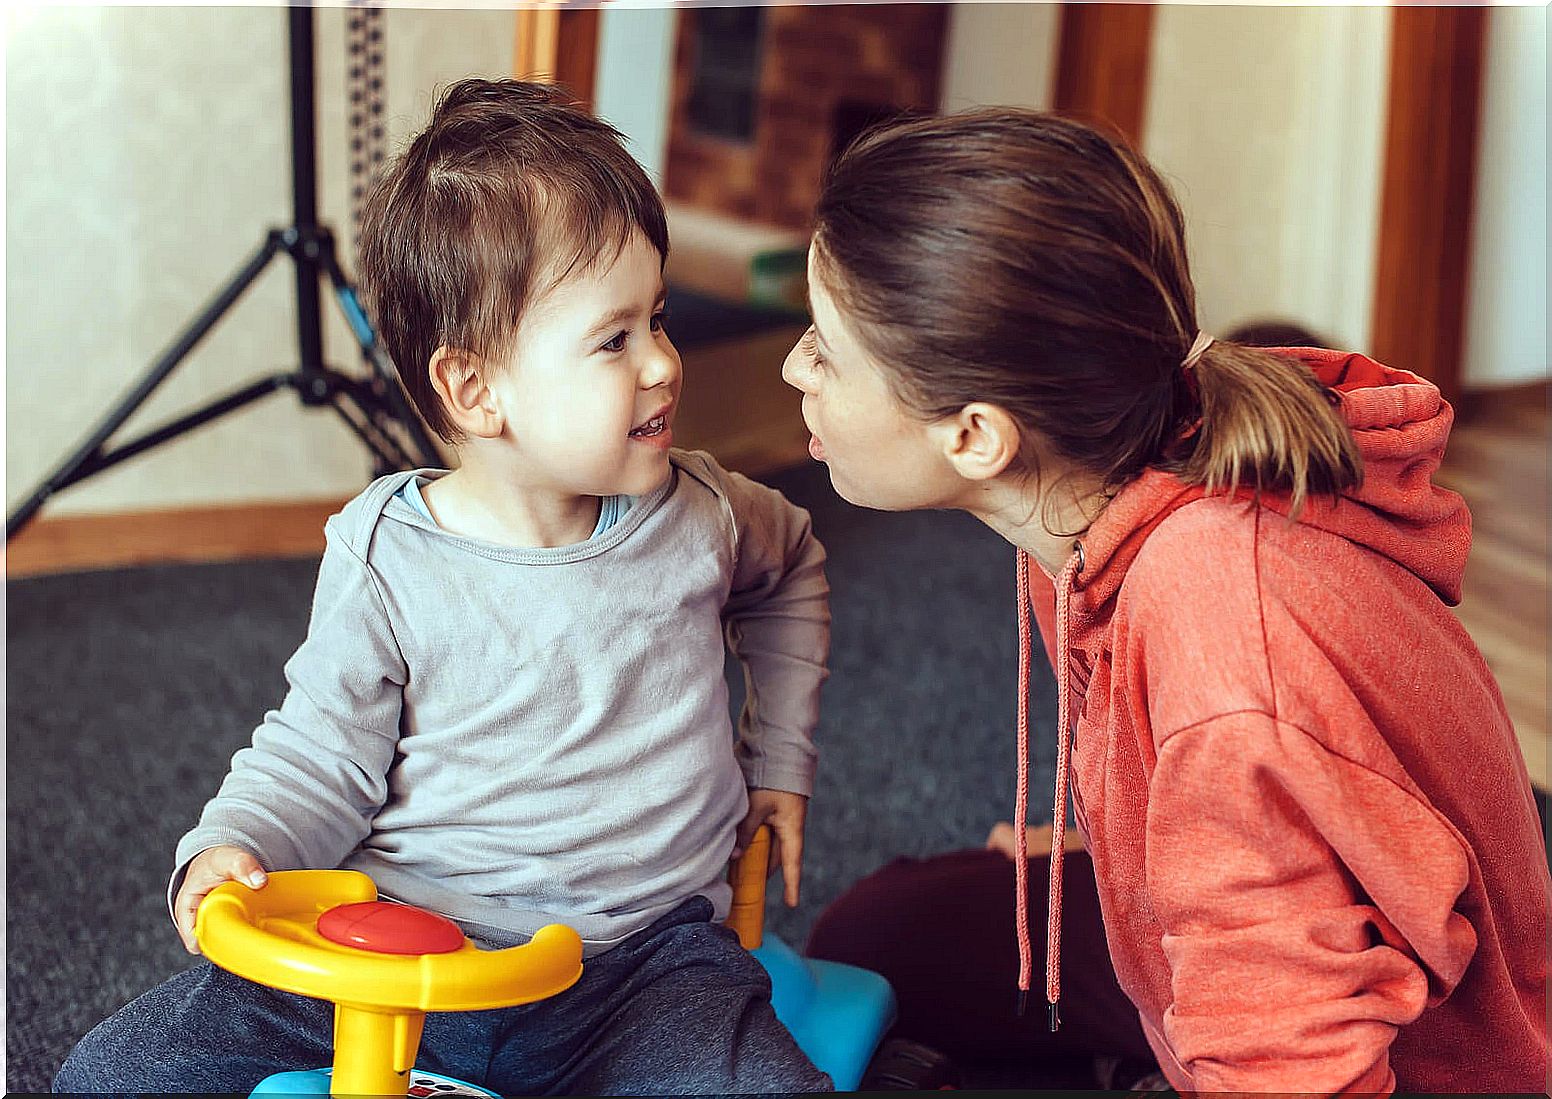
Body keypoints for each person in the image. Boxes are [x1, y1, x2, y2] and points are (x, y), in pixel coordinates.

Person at [54, 79, 832, 1097]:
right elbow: (319, 746)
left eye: (659, 319)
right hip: (401, 955)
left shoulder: (708, 514)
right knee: (109, 1075)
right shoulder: (387, 552)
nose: (662, 365)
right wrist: (232, 845)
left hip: (639, 967)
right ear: (475, 389)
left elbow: (793, 569)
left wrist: (775, 756)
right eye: (613, 339)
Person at [782, 107, 1550, 1093]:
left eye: (825, 346)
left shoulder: (1220, 639)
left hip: (1418, 1064)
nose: (794, 368)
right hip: (1259, 914)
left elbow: (1300, 1075)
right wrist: (1144, 846)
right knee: (879, 934)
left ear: (975, 435)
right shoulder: (1107, 480)